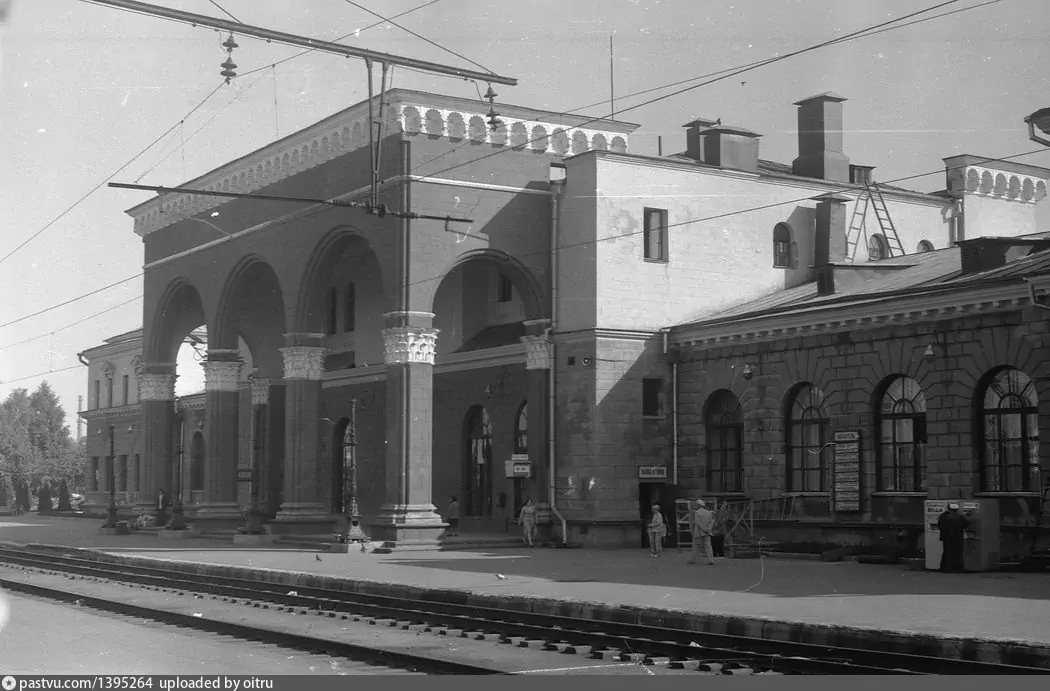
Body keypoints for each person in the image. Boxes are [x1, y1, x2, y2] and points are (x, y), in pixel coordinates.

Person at [937, 502, 968, 573]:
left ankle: (945, 568)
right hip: (958, 537)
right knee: (958, 553)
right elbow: (966, 525)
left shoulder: (943, 516)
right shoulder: (960, 517)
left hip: (946, 537)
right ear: (957, 509)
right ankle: (959, 569)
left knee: (947, 552)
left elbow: (939, 525)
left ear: (949, 509)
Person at [689, 499, 717, 565]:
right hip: (707, 532)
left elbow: (698, 523)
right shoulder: (708, 513)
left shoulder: (697, 512)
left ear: (698, 505)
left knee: (696, 546)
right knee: (708, 546)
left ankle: (693, 560)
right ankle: (711, 560)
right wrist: (708, 529)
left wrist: (703, 529)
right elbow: (711, 521)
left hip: (699, 532)